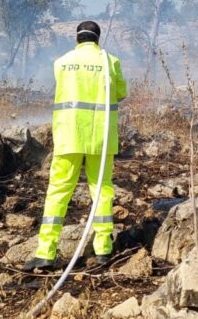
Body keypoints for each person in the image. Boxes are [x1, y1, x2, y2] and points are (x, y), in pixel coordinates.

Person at [23, 21, 127, 272]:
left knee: (58, 191)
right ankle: (103, 249)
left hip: (68, 136)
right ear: (97, 38)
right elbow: (121, 93)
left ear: (77, 38)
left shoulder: (62, 62)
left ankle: (45, 253)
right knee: (101, 190)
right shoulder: (110, 61)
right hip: (100, 138)